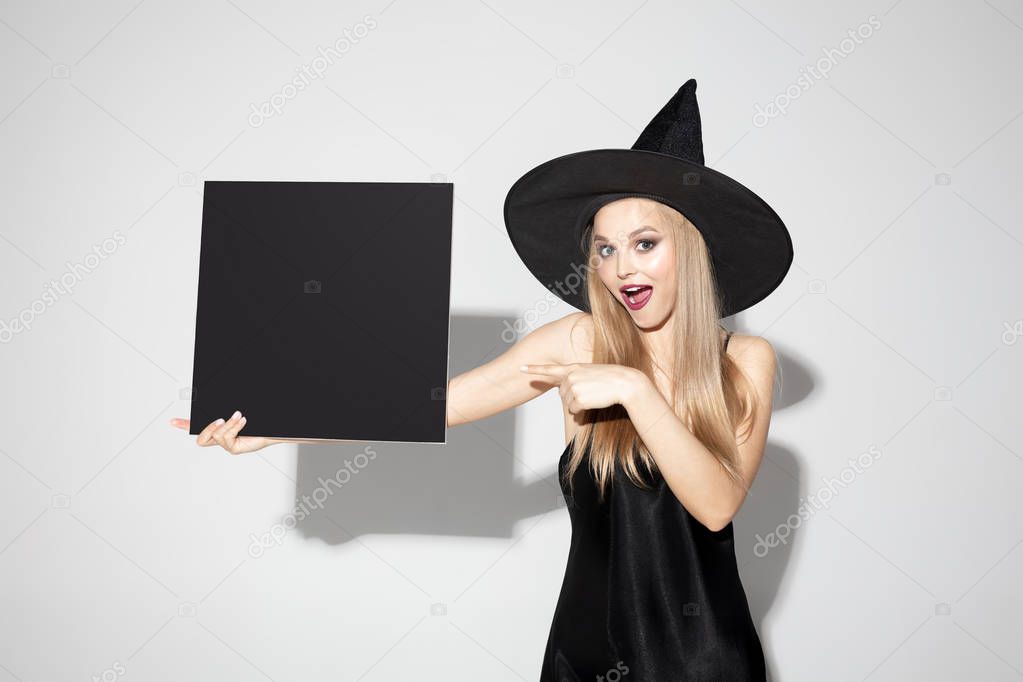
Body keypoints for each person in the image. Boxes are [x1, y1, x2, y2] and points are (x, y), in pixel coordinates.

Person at [170, 77, 792, 681]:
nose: (620, 266)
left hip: (701, 661)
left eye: (644, 243)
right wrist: (277, 426)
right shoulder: (580, 342)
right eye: (604, 249)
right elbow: (433, 404)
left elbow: (716, 507)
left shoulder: (745, 359)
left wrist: (635, 390)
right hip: (584, 656)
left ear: (692, 248)